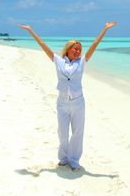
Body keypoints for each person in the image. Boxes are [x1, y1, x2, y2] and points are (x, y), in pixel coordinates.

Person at [17, 22, 117, 171]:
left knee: (77, 133)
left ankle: (74, 160)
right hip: (62, 103)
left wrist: (105, 29)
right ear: (68, 49)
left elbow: (95, 44)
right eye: (75, 48)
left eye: (79, 50)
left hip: (78, 103)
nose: (78, 51)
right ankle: (63, 158)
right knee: (62, 133)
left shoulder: (82, 62)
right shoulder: (58, 60)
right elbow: (43, 45)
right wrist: (31, 30)